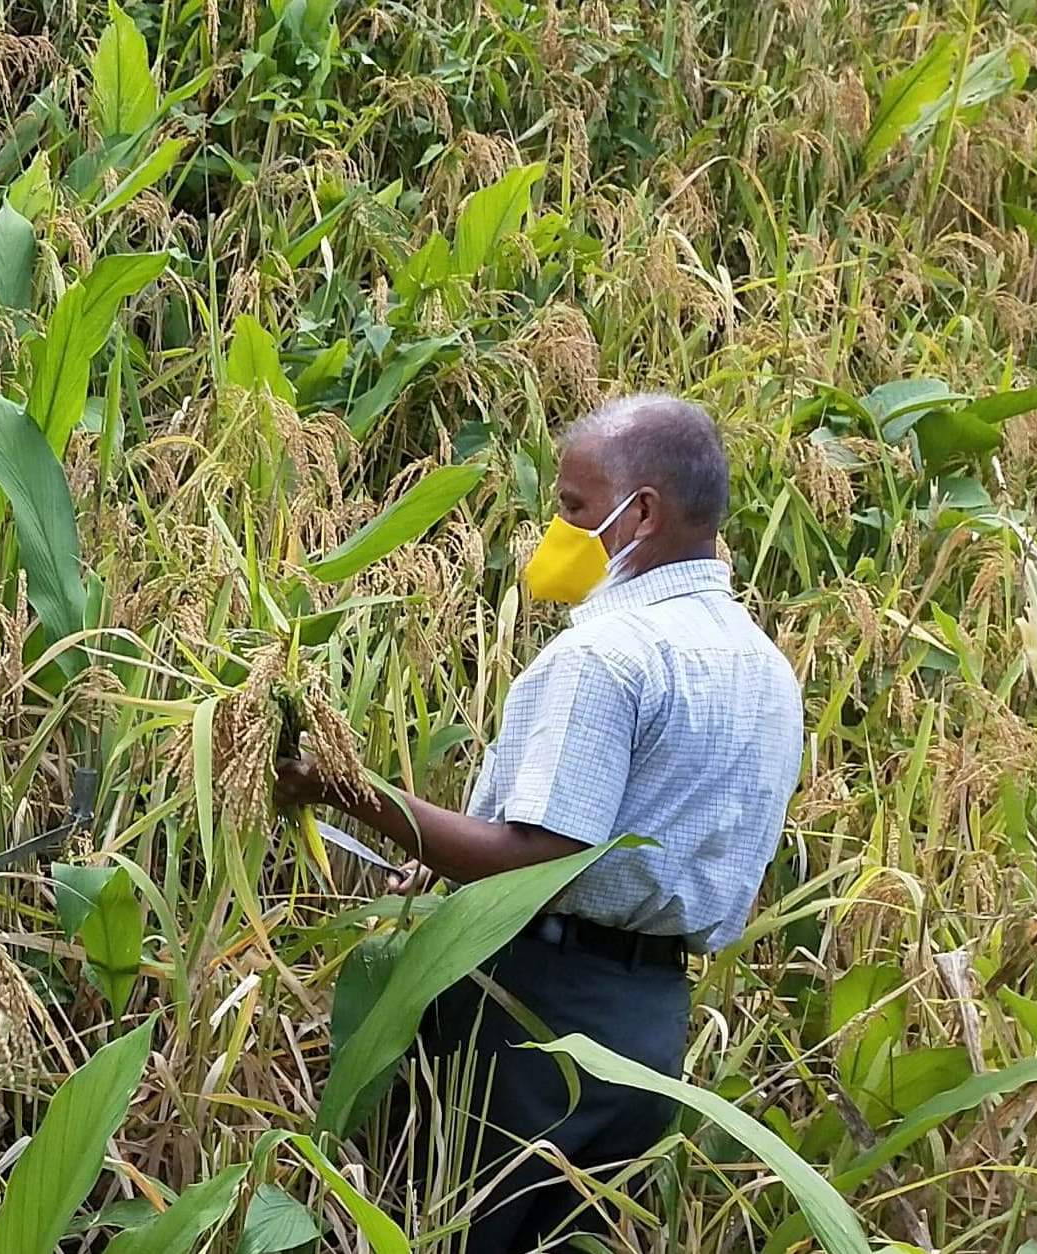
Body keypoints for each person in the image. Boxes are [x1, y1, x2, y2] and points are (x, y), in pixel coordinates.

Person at [278, 393, 803, 1253]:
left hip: (535, 1015)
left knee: (459, 1233)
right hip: (650, 1026)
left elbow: (539, 857)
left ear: (640, 514)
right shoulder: (762, 664)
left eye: (572, 507)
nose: (554, 532)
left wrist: (345, 788)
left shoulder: (606, 654)